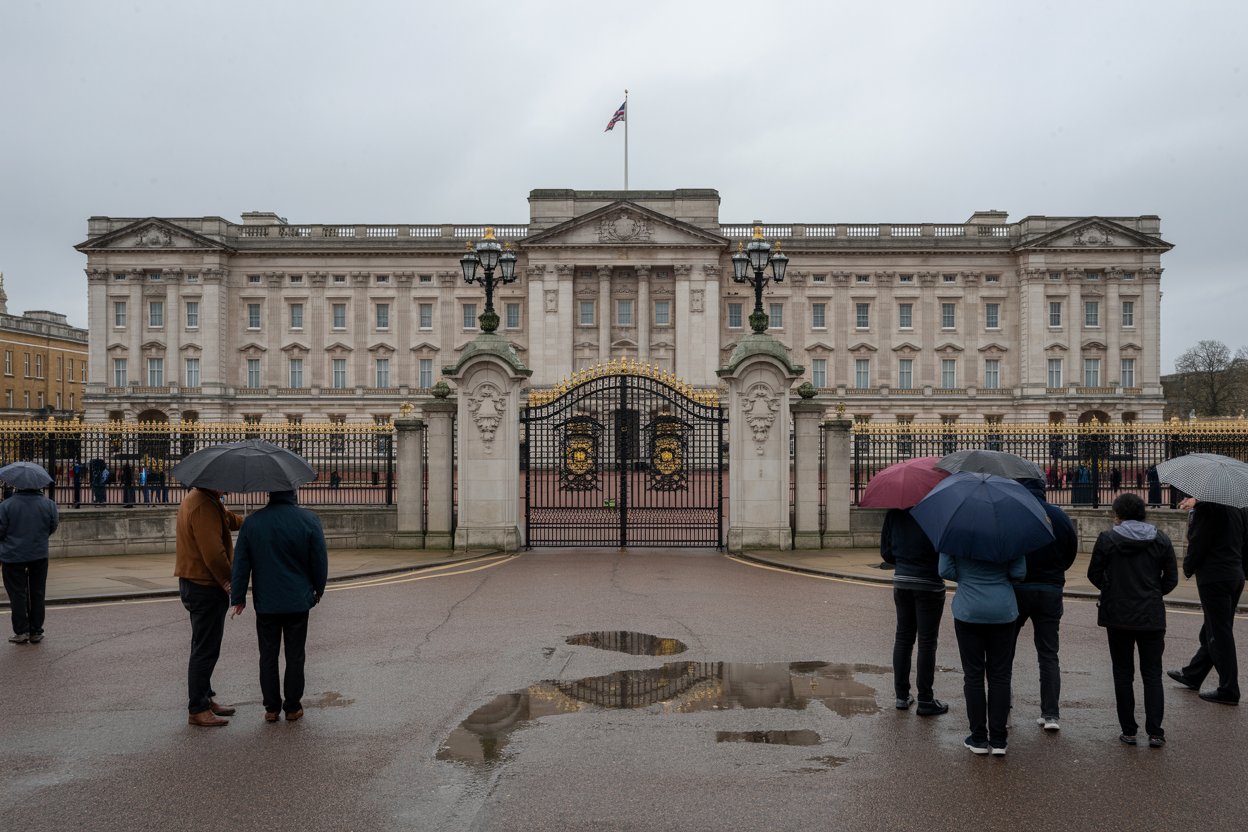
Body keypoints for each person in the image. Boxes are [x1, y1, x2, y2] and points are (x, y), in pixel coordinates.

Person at [230, 490, 328, 723]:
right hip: (297, 600)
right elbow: (319, 560)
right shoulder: (309, 520)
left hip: (267, 602)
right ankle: (292, 707)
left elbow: (241, 563)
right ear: (292, 492)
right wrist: (318, 589)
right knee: (295, 655)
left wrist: (239, 597)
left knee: (268, 655)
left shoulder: (252, 523)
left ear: (270, 493)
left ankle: (271, 707)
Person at [1088, 493, 1178, 747]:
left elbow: (1094, 573)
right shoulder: (1160, 538)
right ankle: (1155, 732)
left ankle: (1128, 730)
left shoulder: (1108, 538)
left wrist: (1113, 590)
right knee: (1152, 675)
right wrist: (1152, 593)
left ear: (1118, 514)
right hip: (1151, 614)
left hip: (1117, 615)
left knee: (1122, 673)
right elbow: (1171, 579)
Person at [940, 546, 1027, 756]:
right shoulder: (1009, 535)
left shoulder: (955, 534)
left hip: (968, 609)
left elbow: (944, 571)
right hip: (1003, 610)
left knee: (973, 675)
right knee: (1000, 676)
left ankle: (978, 738)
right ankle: (998, 739)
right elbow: (1019, 573)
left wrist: (967, 575)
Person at [174, 486, 243, 727]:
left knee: (204, 644)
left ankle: (205, 696)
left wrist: (251, 522)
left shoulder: (207, 500)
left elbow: (229, 520)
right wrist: (231, 580)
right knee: (205, 648)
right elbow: (214, 554)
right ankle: (198, 708)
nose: (228, 483)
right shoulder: (204, 505)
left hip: (196, 581)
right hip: (205, 585)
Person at [1012, 479, 1078, 731]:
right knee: (1048, 654)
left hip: (1019, 587)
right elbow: (1070, 551)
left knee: (1005, 652)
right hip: (1050, 588)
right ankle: (1050, 714)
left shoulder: (1014, 514)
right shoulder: (1059, 515)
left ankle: (1003, 708)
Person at [1168, 497, 1247, 705]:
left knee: (1219, 633)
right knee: (1212, 629)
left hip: (1214, 576)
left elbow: (1198, 541)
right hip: (1235, 574)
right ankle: (1193, 674)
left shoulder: (1208, 508)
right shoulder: (1238, 507)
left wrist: (1187, 567)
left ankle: (1229, 689)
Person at [880, 507, 948, 716]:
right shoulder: (938, 512)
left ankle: (901, 696)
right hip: (929, 582)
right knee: (927, 642)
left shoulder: (894, 513)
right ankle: (925, 699)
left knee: (903, 638)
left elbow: (886, 552)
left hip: (902, 580)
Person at [0, 486, 60, 644]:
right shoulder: (49, 504)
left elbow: (1, 531)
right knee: (38, 592)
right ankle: (36, 631)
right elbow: (52, 526)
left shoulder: (6, 505)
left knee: (17, 594)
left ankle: (21, 632)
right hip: (39, 554)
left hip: (13, 556)